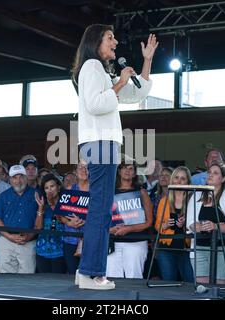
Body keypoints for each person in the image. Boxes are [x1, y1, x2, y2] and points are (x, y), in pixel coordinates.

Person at [71, 24, 158, 290]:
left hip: (101, 142)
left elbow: (134, 94)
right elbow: (96, 104)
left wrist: (147, 61)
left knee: (100, 209)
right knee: (100, 210)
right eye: (110, 38)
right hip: (100, 142)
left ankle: (87, 271)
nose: (116, 42)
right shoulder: (92, 67)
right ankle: (90, 273)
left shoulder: (98, 70)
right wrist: (119, 82)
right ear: (95, 41)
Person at [186, 162, 225, 285]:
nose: (210, 175)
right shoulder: (196, 195)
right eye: (209, 172)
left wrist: (215, 226)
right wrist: (197, 226)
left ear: (223, 178)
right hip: (200, 247)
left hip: (222, 248)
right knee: (201, 287)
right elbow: (190, 222)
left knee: (220, 286)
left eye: (215, 173)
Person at [106, 158, 153, 279]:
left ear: (135, 173)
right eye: (124, 167)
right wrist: (108, 229)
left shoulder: (142, 192)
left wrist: (129, 228)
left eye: (131, 168)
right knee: (111, 279)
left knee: (134, 279)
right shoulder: (109, 192)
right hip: (112, 241)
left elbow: (149, 222)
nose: (128, 170)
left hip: (136, 242)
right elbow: (103, 218)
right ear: (119, 171)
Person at [0, 165, 39, 274]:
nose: (18, 181)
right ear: (10, 180)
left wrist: (29, 236)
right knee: (7, 278)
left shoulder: (36, 194)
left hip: (28, 242)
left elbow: (40, 219)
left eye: (21, 177)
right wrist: (10, 236)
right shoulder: (3, 196)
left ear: (26, 178)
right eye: (14, 177)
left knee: (27, 279)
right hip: (6, 242)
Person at [154, 166, 194, 282]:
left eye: (183, 178)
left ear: (188, 182)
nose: (179, 181)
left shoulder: (193, 199)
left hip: (187, 248)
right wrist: (165, 225)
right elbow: (157, 226)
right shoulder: (164, 200)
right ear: (172, 180)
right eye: (176, 177)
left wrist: (186, 224)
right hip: (166, 248)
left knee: (190, 282)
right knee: (168, 283)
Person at [34, 174, 67, 274]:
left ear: (58, 187)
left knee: (57, 282)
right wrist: (40, 208)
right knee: (44, 282)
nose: (50, 190)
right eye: (46, 188)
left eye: (52, 186)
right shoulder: (43, 205)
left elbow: (65, 221)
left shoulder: (65, 203)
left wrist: (53, 204)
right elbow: (38, 228)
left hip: (60, 251)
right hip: (42, 251)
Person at [62, 160, 87, 274]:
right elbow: (60, 214)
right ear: (75, 171)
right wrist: (68, 223)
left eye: (87, 167)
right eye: (80, 167)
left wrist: (86, 221)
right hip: (70, 239)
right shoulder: (69, 190)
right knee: (72, 274)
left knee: (88, 273)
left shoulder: (96, 191)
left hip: (89, 239)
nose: (84, 170)